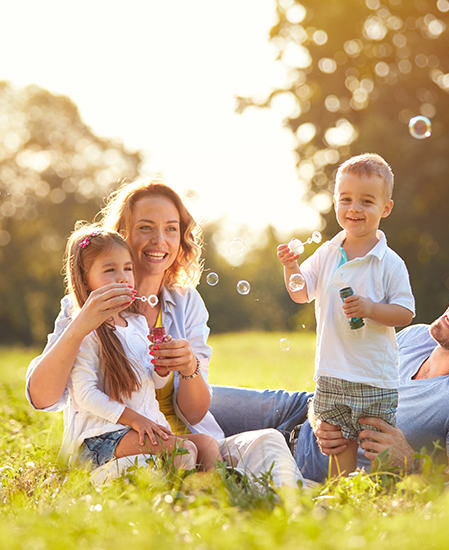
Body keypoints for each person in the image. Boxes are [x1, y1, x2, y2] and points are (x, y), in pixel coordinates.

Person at [27, 179, 303, 487]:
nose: (160, 240)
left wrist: (189, 368)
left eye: (171, 229)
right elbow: (42, 398)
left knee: (268, 441)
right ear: (122, 235)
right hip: (119, 447)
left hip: (185, 440)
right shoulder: (83, 306)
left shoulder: (186, 303)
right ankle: (223, 495)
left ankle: (297, 510)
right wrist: (79, 325)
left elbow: (195, 412)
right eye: (146, 227)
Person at [209, 272, 449, 482]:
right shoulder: (417, 336)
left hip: (311, 461)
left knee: (195, 452)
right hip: (298, 409)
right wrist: (318, 411)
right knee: (186, 398)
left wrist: (412, 465)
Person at [277, 153, 415, 477]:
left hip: (374, 375)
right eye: (346, 199)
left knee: (377, 444)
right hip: (332, 371)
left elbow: (405, 312)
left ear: (386, 208)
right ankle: (341, 496)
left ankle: (387, 492)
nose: (354, 209)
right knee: (338, 444)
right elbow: (300, 292)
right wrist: (290, 267)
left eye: (367, 201)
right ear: (336, 202)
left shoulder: (389, 263)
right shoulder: (327, 252)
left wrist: (371, 309)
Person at [60, 224, 222, 472]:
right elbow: (85, 394)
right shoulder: (84, 329)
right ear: (85, 278)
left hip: (138, 428)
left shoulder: (136, 323)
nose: (123, 277)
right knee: (183, 449)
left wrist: (162, 368)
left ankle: (214, 502)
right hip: (101, 437)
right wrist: (135, 419)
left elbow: (153, 383)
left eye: (127, 268)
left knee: (206, 444)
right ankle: (180, 506)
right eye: (109, 270)